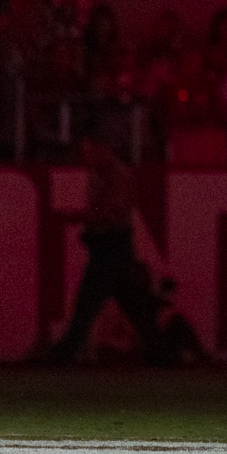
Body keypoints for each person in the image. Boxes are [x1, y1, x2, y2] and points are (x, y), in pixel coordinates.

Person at [46, 125, 163, 365]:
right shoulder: (98, 175)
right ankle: (161, 351)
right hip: (108, 247)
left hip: (112, 248)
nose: (84, 157)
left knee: (88, 302)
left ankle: (66, 350)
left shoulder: (118, 175)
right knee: (131, 303)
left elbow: (112, 212)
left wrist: (78, 217)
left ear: (103, 149)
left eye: (89, 151)